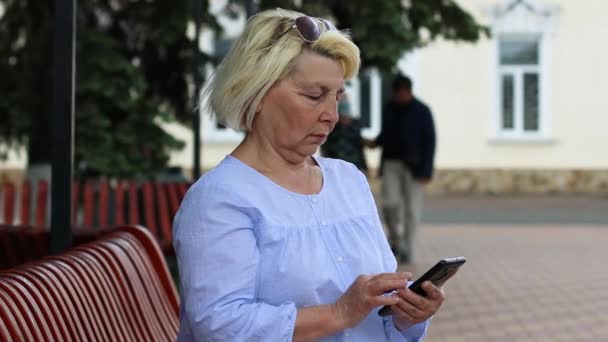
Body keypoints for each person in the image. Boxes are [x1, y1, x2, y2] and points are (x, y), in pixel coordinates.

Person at [173, 9, 445, 341]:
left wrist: (407, 314)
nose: (331, 115)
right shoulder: (220, 200)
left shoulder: (349, 180)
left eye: (338, 97)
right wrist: (339, 313)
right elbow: (221, 327)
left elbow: (382, 313)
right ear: (256, 93)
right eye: (314, 96)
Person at [368, 74, 437, 264]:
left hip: (415, 169)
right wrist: (375, 143)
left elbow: (430, 141)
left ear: (407, 91)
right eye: (395, 94)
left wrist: (427, 171)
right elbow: (387, 134)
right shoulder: (388, 108)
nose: (397, 97)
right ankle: (395, 242)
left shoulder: (422, 111)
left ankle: (407, 248)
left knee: (412, 211)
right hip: (391, 164)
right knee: (389, 204)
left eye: (400, 93)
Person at [321, 94, 368, 174]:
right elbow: (325, 148)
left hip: (354, 165)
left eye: (346, 117)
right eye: (343, 117)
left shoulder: (355, 128)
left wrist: (364, 167)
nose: (345, 119)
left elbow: (360, 148)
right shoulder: (332, 129)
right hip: (335, 167)